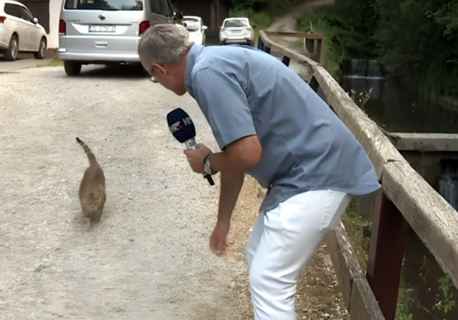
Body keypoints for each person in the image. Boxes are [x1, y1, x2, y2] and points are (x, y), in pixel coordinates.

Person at [138, 24, 380, 320]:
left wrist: (207, 163)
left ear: (159, 68)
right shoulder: (215, 62)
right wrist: (223, 222)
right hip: (304, 174)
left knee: (269, 279)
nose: (157, 81)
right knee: (258, 256)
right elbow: (237, 156)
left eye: (153, 77)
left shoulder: (207, 73)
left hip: (315, 174)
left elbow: (247, 153)